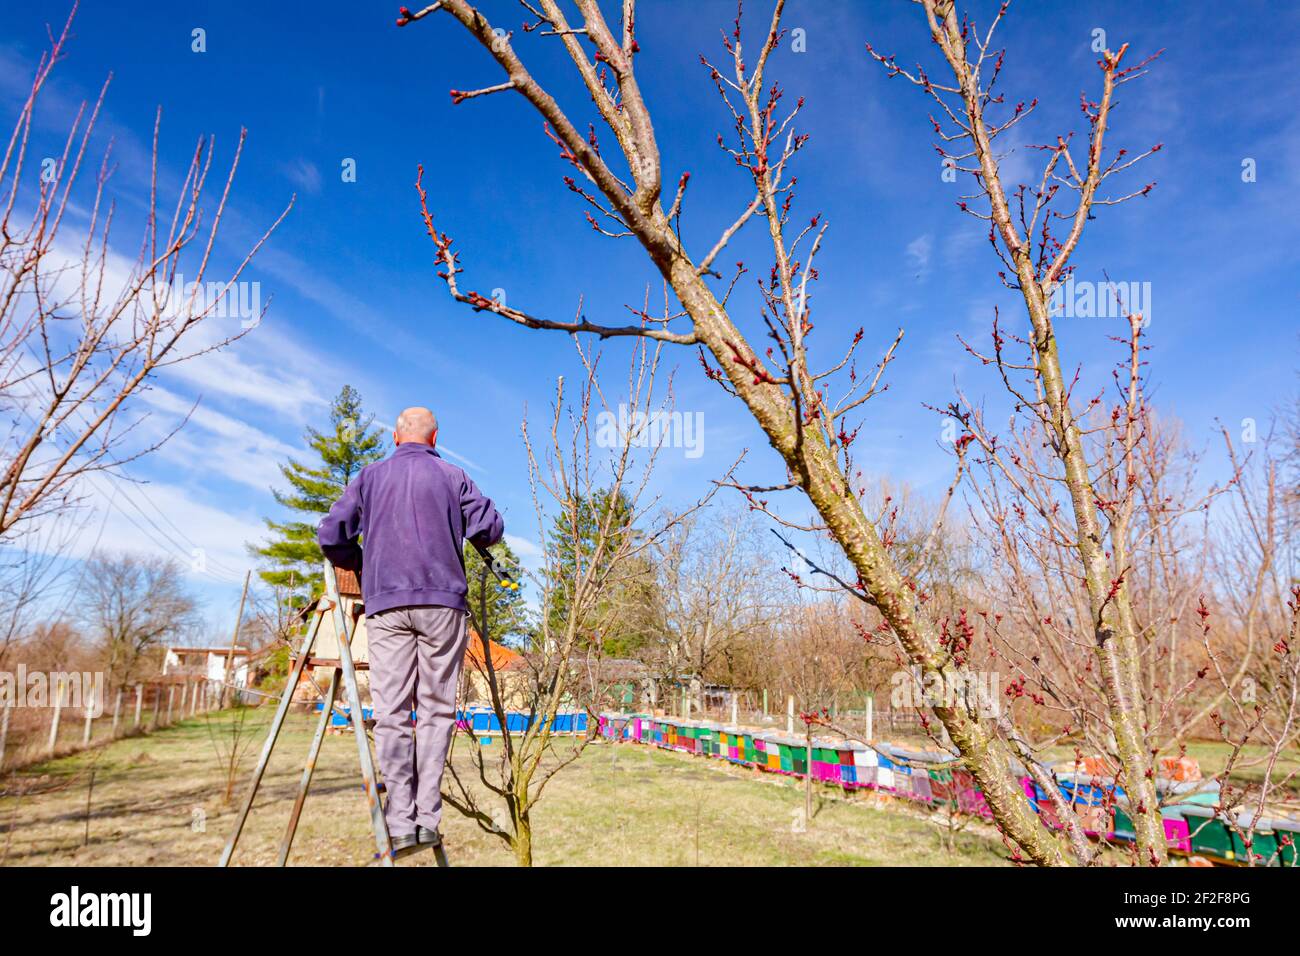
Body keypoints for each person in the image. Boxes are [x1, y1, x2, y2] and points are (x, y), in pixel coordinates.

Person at [317, 406, 503, 855]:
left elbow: (330, 534)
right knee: (437, 711)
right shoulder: (453, 475)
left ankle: (400, 821)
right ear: (434, 437)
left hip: (387, 605)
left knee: (392, 712)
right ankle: (427, 820)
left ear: (397, 437)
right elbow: (491, 528)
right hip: (442, 604)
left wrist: (359, 562)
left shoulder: (370, 476)